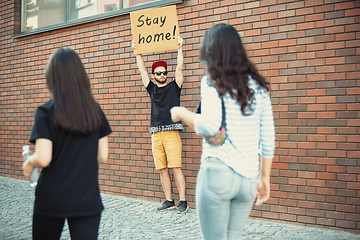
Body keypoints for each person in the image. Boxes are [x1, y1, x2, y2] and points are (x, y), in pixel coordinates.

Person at [170, 24, 275, 239]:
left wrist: (181, 113)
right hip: (248, 179)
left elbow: (210, 126)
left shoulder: (211, 81)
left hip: (218, 172)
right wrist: (264, 178)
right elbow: (268, 137)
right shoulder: (258, 87)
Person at [22, 48, 112, 240]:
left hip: (52, 197)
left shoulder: (45, 111)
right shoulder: (94, 109)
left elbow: (43, 158)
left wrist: (29, 162)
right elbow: (103, 155)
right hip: (86, 198)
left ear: (52, 77)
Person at [131, 36, 188, 213]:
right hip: (156, 134)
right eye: (158, 73)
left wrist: (180, 48)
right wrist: (137, 52)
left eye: (164, 72)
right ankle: (168, 200)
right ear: (154, 75)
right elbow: (142, 71)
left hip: (172, 133)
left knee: (175, 167)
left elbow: (179, 67)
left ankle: (183, 202)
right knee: (162, 169)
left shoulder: (174, 86)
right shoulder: (152, 88)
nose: (162, 75)